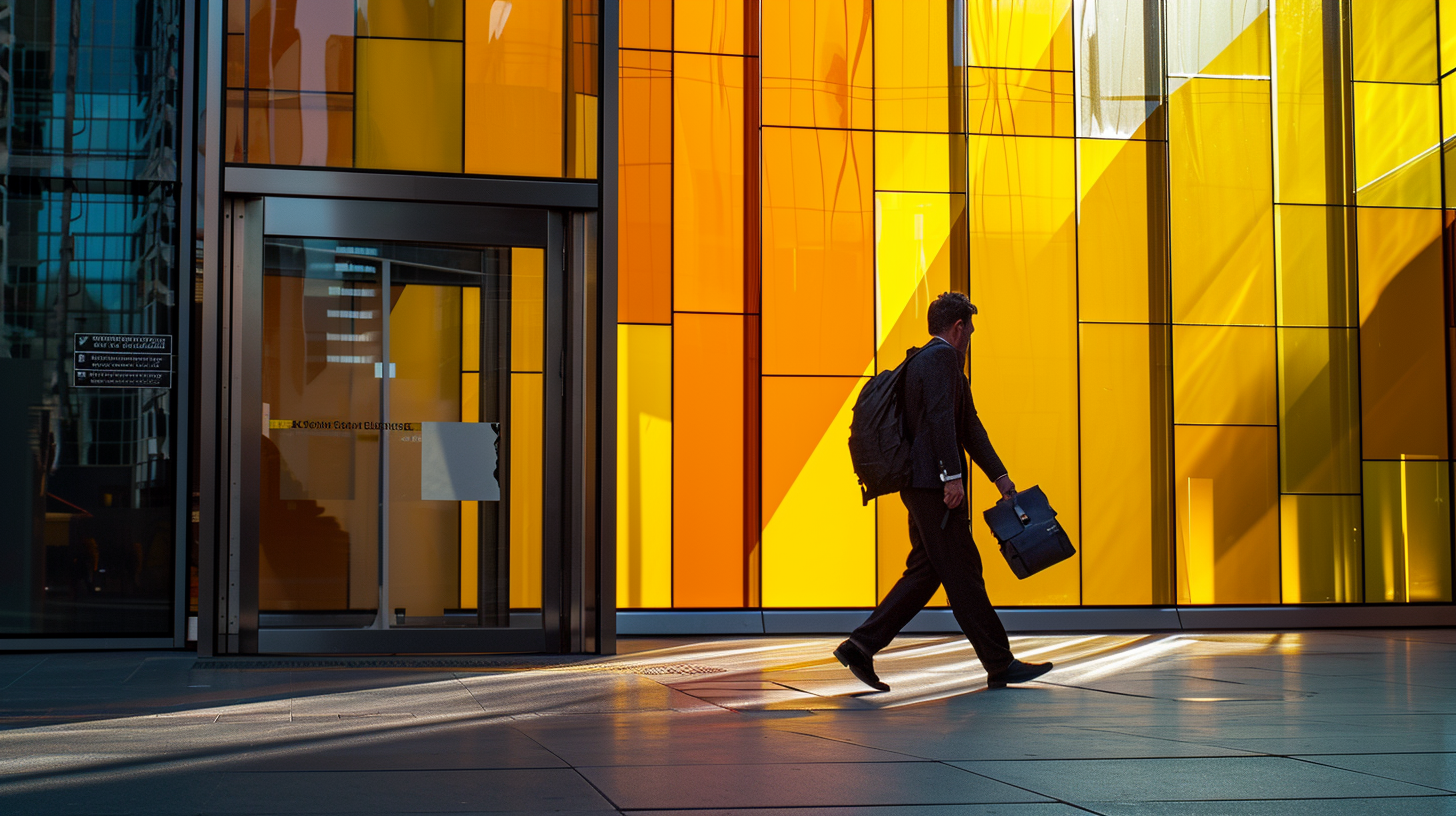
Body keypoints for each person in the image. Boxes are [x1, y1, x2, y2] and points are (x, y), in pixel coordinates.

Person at [835, 292, 1053, 691]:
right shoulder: (940, 359)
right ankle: (1000, 663)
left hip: (921, 485)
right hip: (934, 488)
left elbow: (969, 425)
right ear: (957, 328)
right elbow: (938, 422)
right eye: (969, 329)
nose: (970, 336)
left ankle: (860, 646)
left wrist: (999, 476)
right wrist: (952, 477)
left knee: (925, 572)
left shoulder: (927, 359)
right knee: (965, 574)